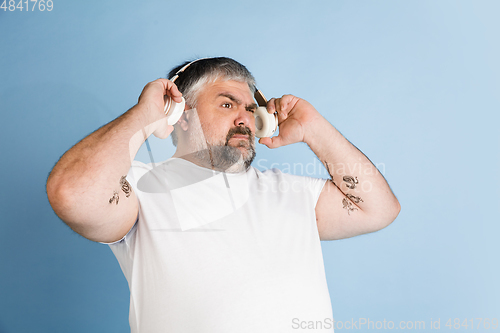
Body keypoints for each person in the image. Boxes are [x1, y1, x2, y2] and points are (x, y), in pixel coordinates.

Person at [46, 57, 400, 332]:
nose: (245, 119)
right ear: (180, 115)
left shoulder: (292, 192)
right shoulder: (140, 187)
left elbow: (379, 209)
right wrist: (144, 116)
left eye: (250, 108)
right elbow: (72, 194)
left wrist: (314, 129)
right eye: (227, 105)